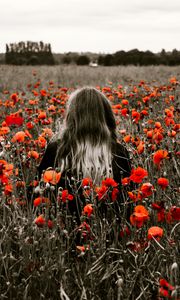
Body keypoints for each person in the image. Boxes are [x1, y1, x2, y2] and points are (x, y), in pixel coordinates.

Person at [38, 86, 132, 226]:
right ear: (107, 117)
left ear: (71, 117)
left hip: (64, 233)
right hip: (111, 233)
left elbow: (39, 194)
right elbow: (128, 201)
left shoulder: (56, 150)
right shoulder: (119, 152)